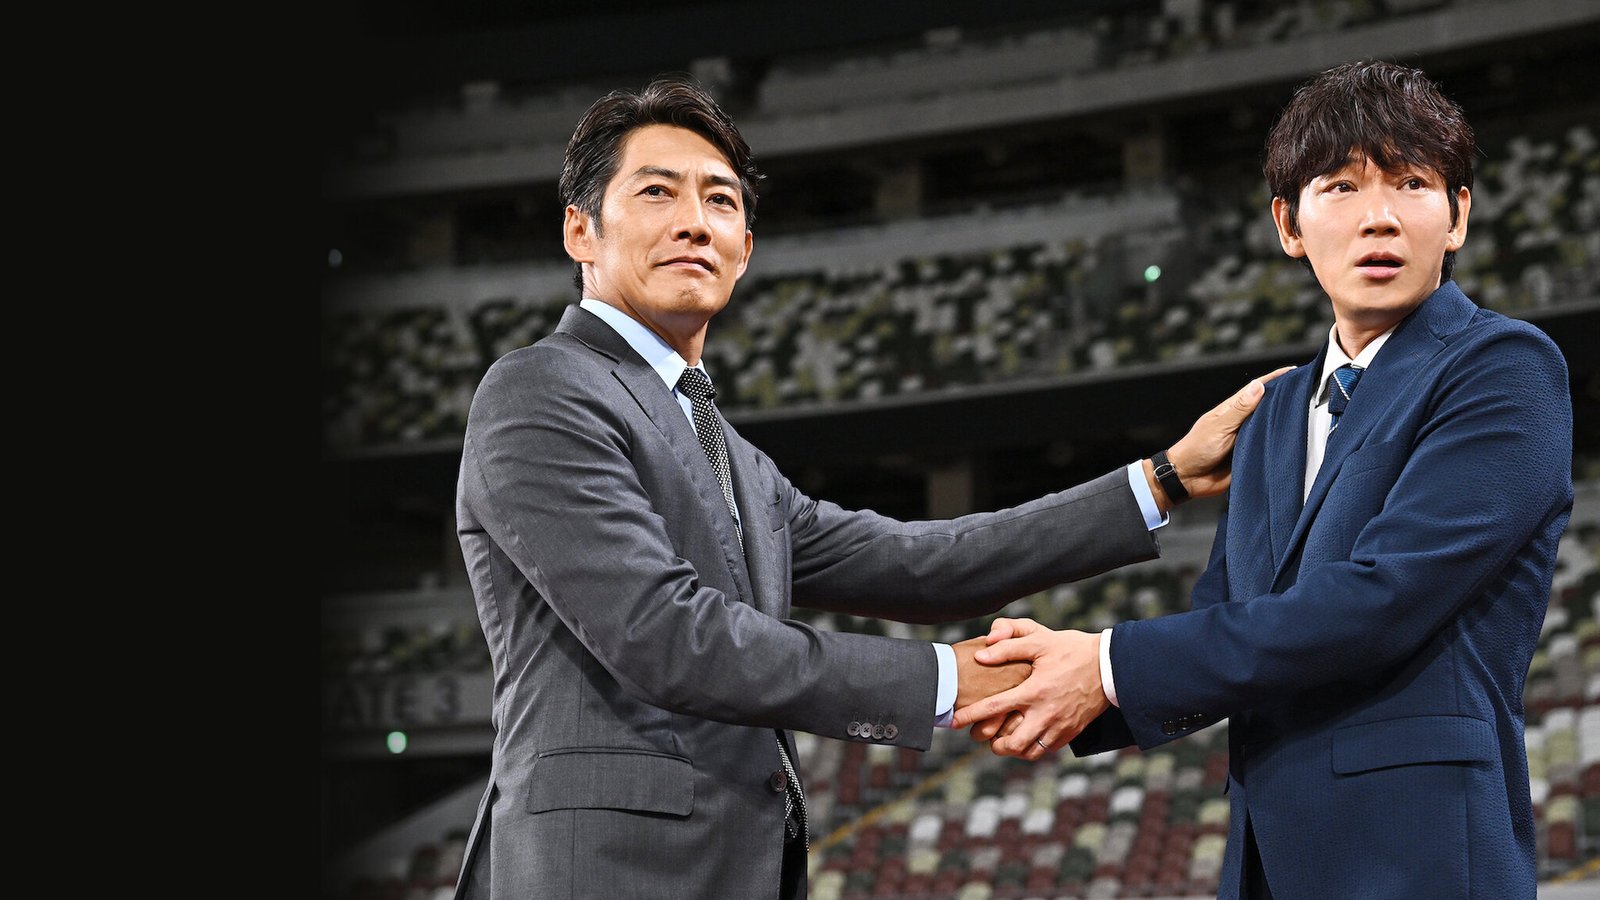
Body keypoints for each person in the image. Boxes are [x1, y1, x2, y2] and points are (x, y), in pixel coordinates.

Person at [453, 76, 1278, 900]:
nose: (694, 222)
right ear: (580, 230)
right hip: (599, 872)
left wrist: (1163, 478)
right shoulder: (541, 390)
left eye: (720, 201)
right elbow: (668, 635)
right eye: (657, 192)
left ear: (745, 249)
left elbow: (920, 565)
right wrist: (949, 681)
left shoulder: (727, 451)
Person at [955, 60, 1573, 898]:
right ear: (1289, 224)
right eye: (1342, 187)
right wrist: (1037, 684)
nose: (1380, 216)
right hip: (1265, 863)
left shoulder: (1503, 369)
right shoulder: (1274, 411)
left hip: (1418, 859)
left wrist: (1104, 664)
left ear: (1458, 215)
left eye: (1413, 183)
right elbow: (1229, 613)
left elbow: (1380, 600)